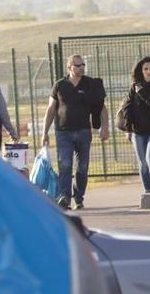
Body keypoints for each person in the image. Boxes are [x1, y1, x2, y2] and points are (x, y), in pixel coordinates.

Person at [41, 54, 108, 210]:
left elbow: (101, 108)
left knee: (82, 167)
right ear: (69, 67)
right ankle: (64, 197)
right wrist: (45, 132)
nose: (81, 68)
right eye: (77, 65)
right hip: (63, 132)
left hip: (84, 131)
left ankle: (78, 197)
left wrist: (105, 127)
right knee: (64, 165)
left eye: (83, 65)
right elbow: (51, 110)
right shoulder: (59, 85)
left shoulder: (90, 84)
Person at [118, 56, 150, 194]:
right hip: (137, 131)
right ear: (141, 71)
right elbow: (127, 108)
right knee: (143, 163)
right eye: (145, 69)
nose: (148, 71)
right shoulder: (134, 87)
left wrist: (142, 92)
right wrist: (128, 129)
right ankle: (147, 190)